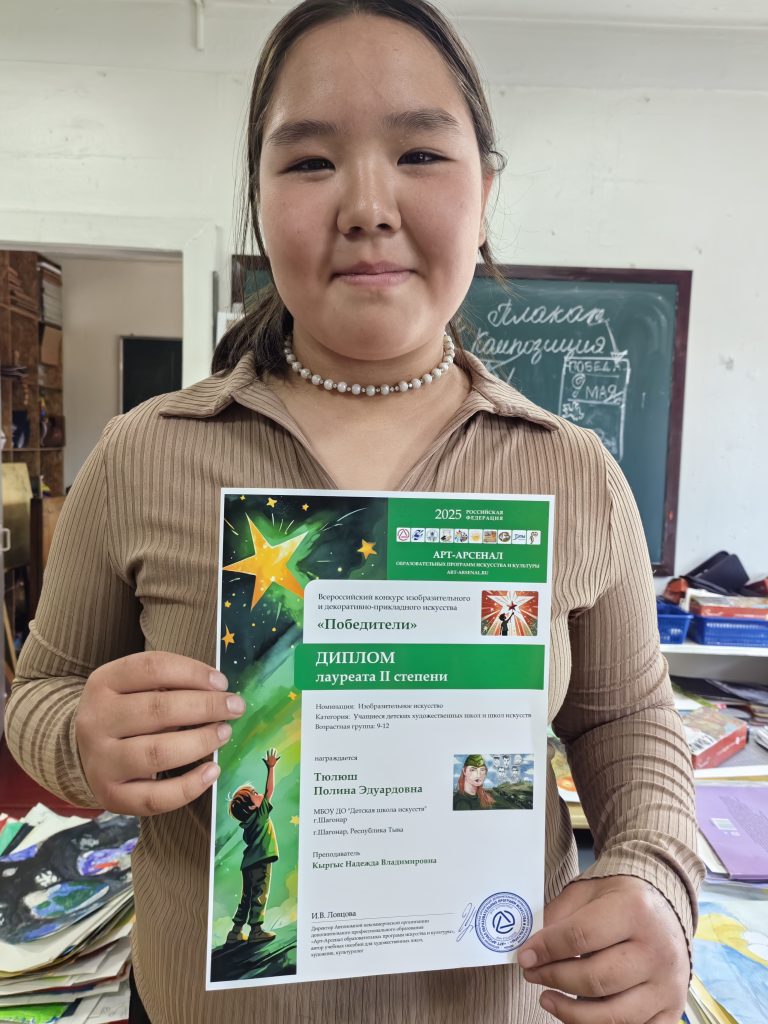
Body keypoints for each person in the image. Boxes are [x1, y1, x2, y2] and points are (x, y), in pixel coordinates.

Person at [5, 1, 703, 1021]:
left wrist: (656, 877)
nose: (369, 206)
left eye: (419, 152)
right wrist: (82, 737)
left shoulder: (574, 473)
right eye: (310, 162)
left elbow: (629, 719)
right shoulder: (143, 454)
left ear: (485, 192)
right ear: (258, 201)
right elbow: (38, 691)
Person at [225, 747, 281, 946]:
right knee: (259, 894)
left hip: (248, 863)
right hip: (261, 860)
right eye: (255, 794)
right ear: (252, 807)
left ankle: (235, 932)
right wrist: (271, 768)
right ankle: (256, 931)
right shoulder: (260, 814)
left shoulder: (247, 824)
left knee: (246, 897)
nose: (259, 794)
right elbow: (270, 791)